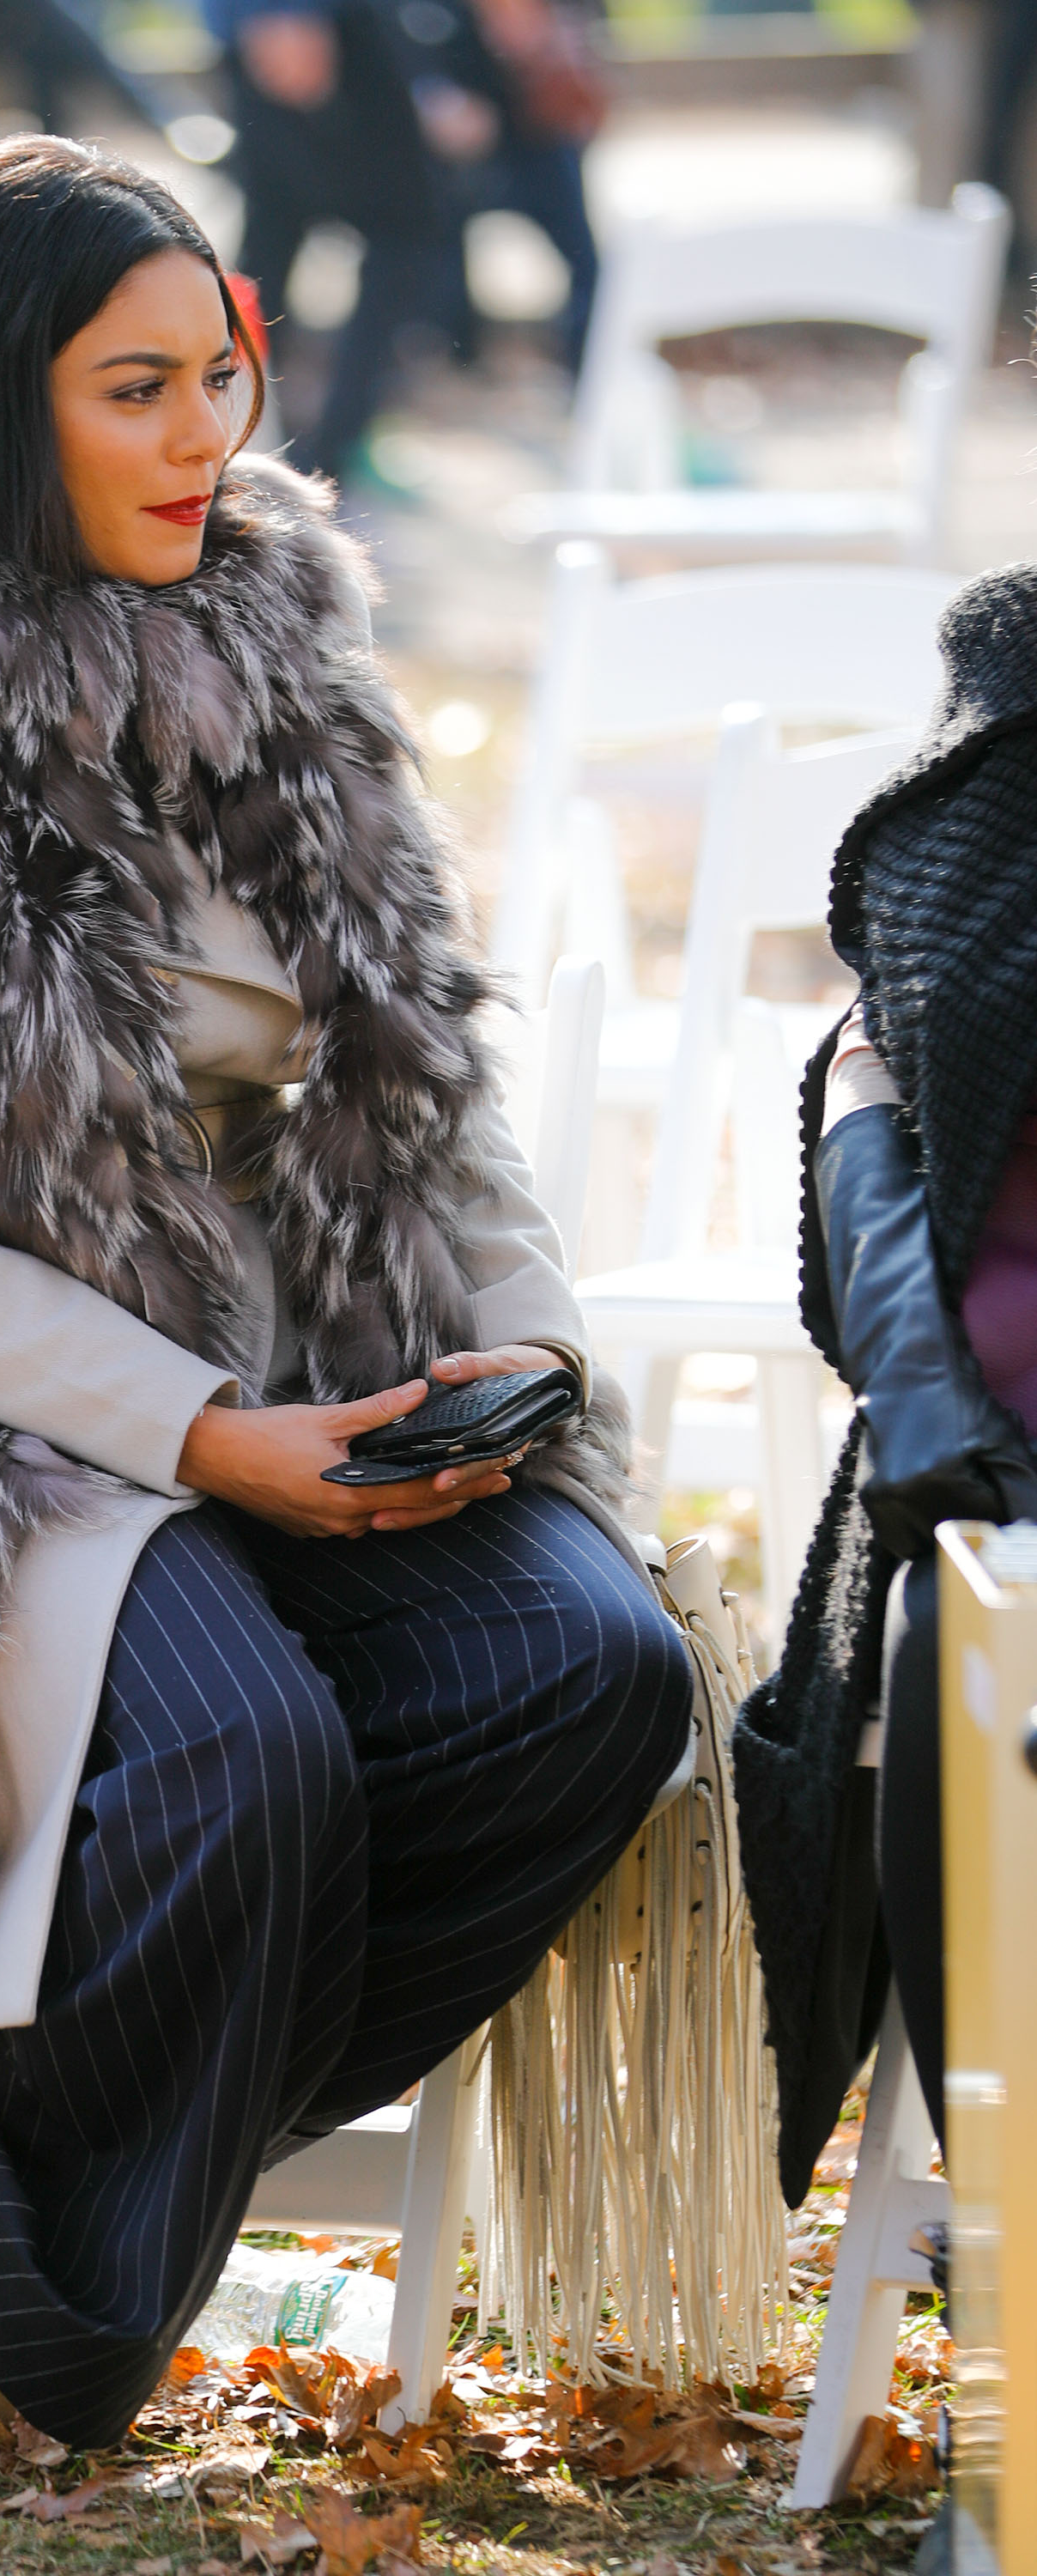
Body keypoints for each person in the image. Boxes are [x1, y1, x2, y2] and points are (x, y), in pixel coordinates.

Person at [0, 135, 694, 2446]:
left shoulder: (285, 643)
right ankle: (36, 2286)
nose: (200, 442)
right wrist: (203, 1438)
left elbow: (428, 1071)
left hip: (341, 1363)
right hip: (6, 1412)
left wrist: (529, 1351)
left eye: (214, 378)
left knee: (591, 1673)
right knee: (248, 1757)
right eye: (130, 390)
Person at [733, 565, 1037, 2234]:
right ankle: (1013, 2255)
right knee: (964, 1656)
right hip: (988, 1480)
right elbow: (881, 1131)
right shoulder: (997, 737)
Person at [214, 0, 440, 477]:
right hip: (281, 73)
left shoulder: (372, 53)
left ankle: (338, 444)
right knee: (257, 276)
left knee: (396, 273)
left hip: (364, 89)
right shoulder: (262, 63)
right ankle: (233, 431)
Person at [396, 0, 603, 374]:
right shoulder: (435, 19)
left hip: (537, 129)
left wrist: (550, 37)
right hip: (463, 131)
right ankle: (458, 353)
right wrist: (437, 96)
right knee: (438, 244)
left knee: (583, 255)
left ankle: (587, 358)